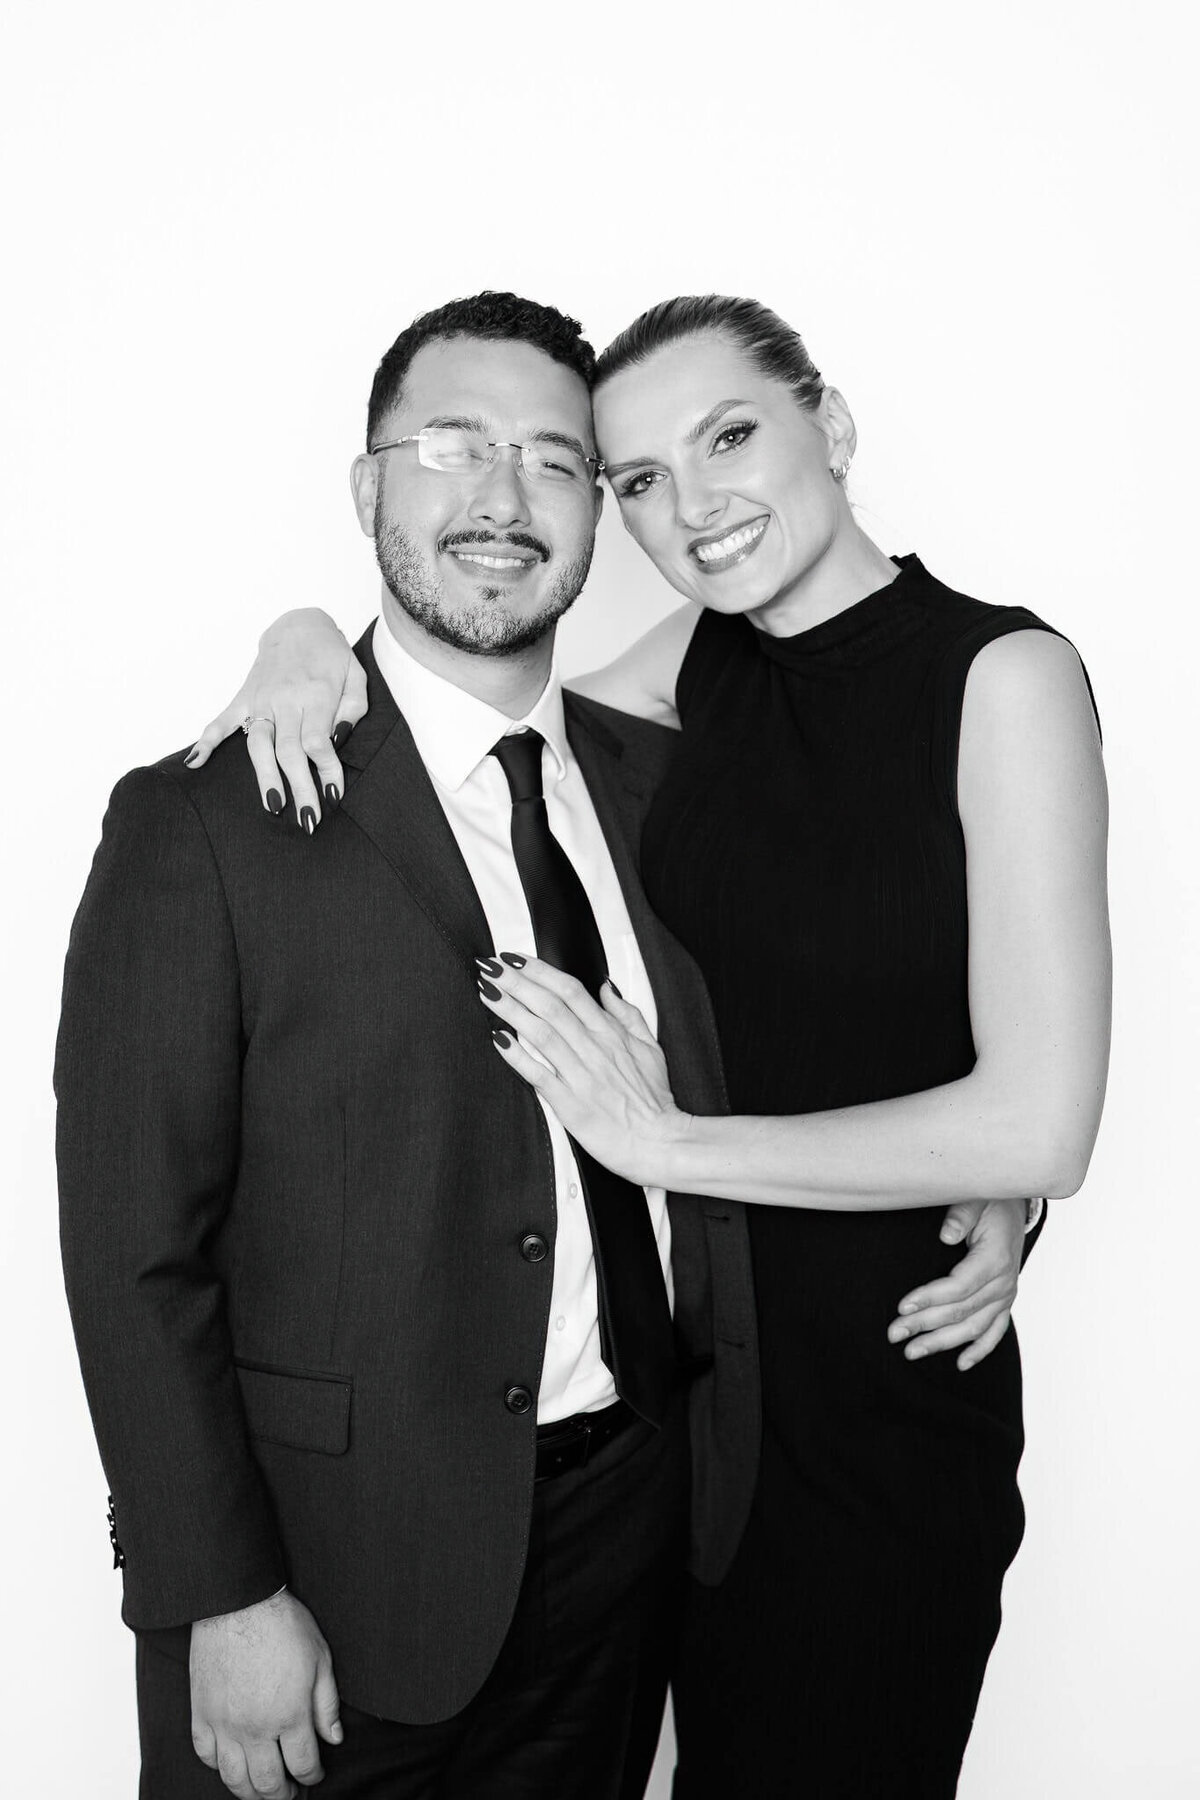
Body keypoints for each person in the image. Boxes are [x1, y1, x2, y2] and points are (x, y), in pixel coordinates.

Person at [194, 294, 1110, 1798]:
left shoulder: (1002, 679)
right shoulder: (694, 669)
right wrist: (306, 637)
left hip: (874, 1400)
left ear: (835, 425)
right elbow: (465, 702)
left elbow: (1042, 1126)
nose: (693, 508)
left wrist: (669, 1147)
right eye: (636, 482)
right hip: (677, 1425)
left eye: (730, 437)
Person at [57, 292, 768, 1800]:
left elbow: (806, 1036)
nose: (503, 499)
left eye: (555, 461)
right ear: (370, 486)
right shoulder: (206, 820)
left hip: (629, 1539)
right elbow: (133, 1249)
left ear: (597, 514)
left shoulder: (666, 791)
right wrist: (215, 1597)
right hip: (327, 1586)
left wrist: (996, 1189)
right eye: (452, 447)